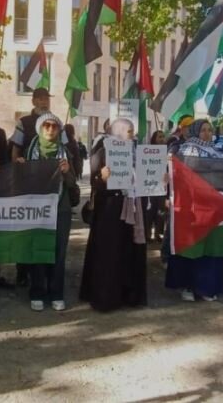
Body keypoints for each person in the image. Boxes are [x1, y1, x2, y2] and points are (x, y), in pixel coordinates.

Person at [80, 118, 147, 311]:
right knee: (109, 253)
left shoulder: (137, 154)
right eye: (129, 131)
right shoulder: (103, 152)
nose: (132, 134)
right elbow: (94, 183)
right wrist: (102, 178)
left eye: (133, 131)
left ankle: (129, 295)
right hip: (109, 211)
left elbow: (146, 179)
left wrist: (160, 178)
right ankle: (106, 297)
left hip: (132, 209)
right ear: (118, 131)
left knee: (128, 251)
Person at [18, 113, 77, 311]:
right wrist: (20, 169)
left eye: (54, 126)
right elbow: (22, 183)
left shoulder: (66, 152)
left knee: (58, 252)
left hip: (61, 209)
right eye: (46, 126)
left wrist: (67, 171)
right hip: (36, 209)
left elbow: (73, 183)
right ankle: (37, 292)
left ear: (59, 130)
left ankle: (56, 293)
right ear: (40, 128)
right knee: (38, 250)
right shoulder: (29, 152)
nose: (50, 129)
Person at [166, 119, 223, 302]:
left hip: (211, 207)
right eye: (203, 130)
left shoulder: (217, 152)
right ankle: (188, 286)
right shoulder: (186, 150)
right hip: (191, 207)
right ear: (194, 132)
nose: (207, 133)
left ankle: (206, 287)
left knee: (209, 248)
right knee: (191, 246)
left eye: (209, 130)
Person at [9, 87, 54, 286]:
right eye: (42, 99)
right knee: (25, 227)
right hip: (27, 183)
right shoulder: (24, 122)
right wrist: (17, 166)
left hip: (48, 185)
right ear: (34, 101)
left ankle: (43, 270)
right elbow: (15, 149)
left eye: (47, 99)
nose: (45, 103)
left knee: (44, 227)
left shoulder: (55, 122)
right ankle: (22, 269)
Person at [144, 130, 168, 242]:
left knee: (161, 212)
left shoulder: (167, 152)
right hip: (149, 187)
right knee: (149, 212)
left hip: (162, 188)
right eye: (159, 137)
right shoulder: (146, 151)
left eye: (163, 136)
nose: (162, 139)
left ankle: (158, 234)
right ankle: (147, 234)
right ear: (154, 138)